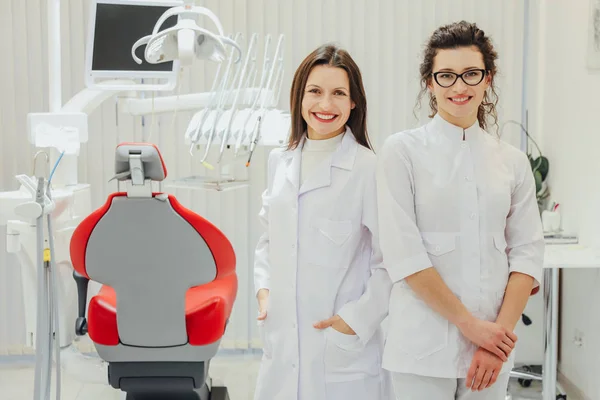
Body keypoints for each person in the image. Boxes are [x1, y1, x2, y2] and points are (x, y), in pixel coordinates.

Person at [376, 21, 544, 399]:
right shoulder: (402, 152)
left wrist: (493, 339)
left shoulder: (513, 162)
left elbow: (527, 255)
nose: (459, 87)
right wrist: (471, 326)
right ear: (430, 82)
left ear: (488, 78)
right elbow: (404, 254)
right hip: (420, 347)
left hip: (491, 350)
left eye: (471, 74)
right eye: (446, 76)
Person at [252, 44, 393, 400]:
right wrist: (265, 291)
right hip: (282, 343)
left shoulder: (368, 168)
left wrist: (356, 320)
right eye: (315, 91)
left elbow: (389, 261)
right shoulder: (279, 161)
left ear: (354, 102)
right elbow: (269, 240)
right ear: (299, 97)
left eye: (338, 94)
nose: (325, 105)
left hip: (342, 349)